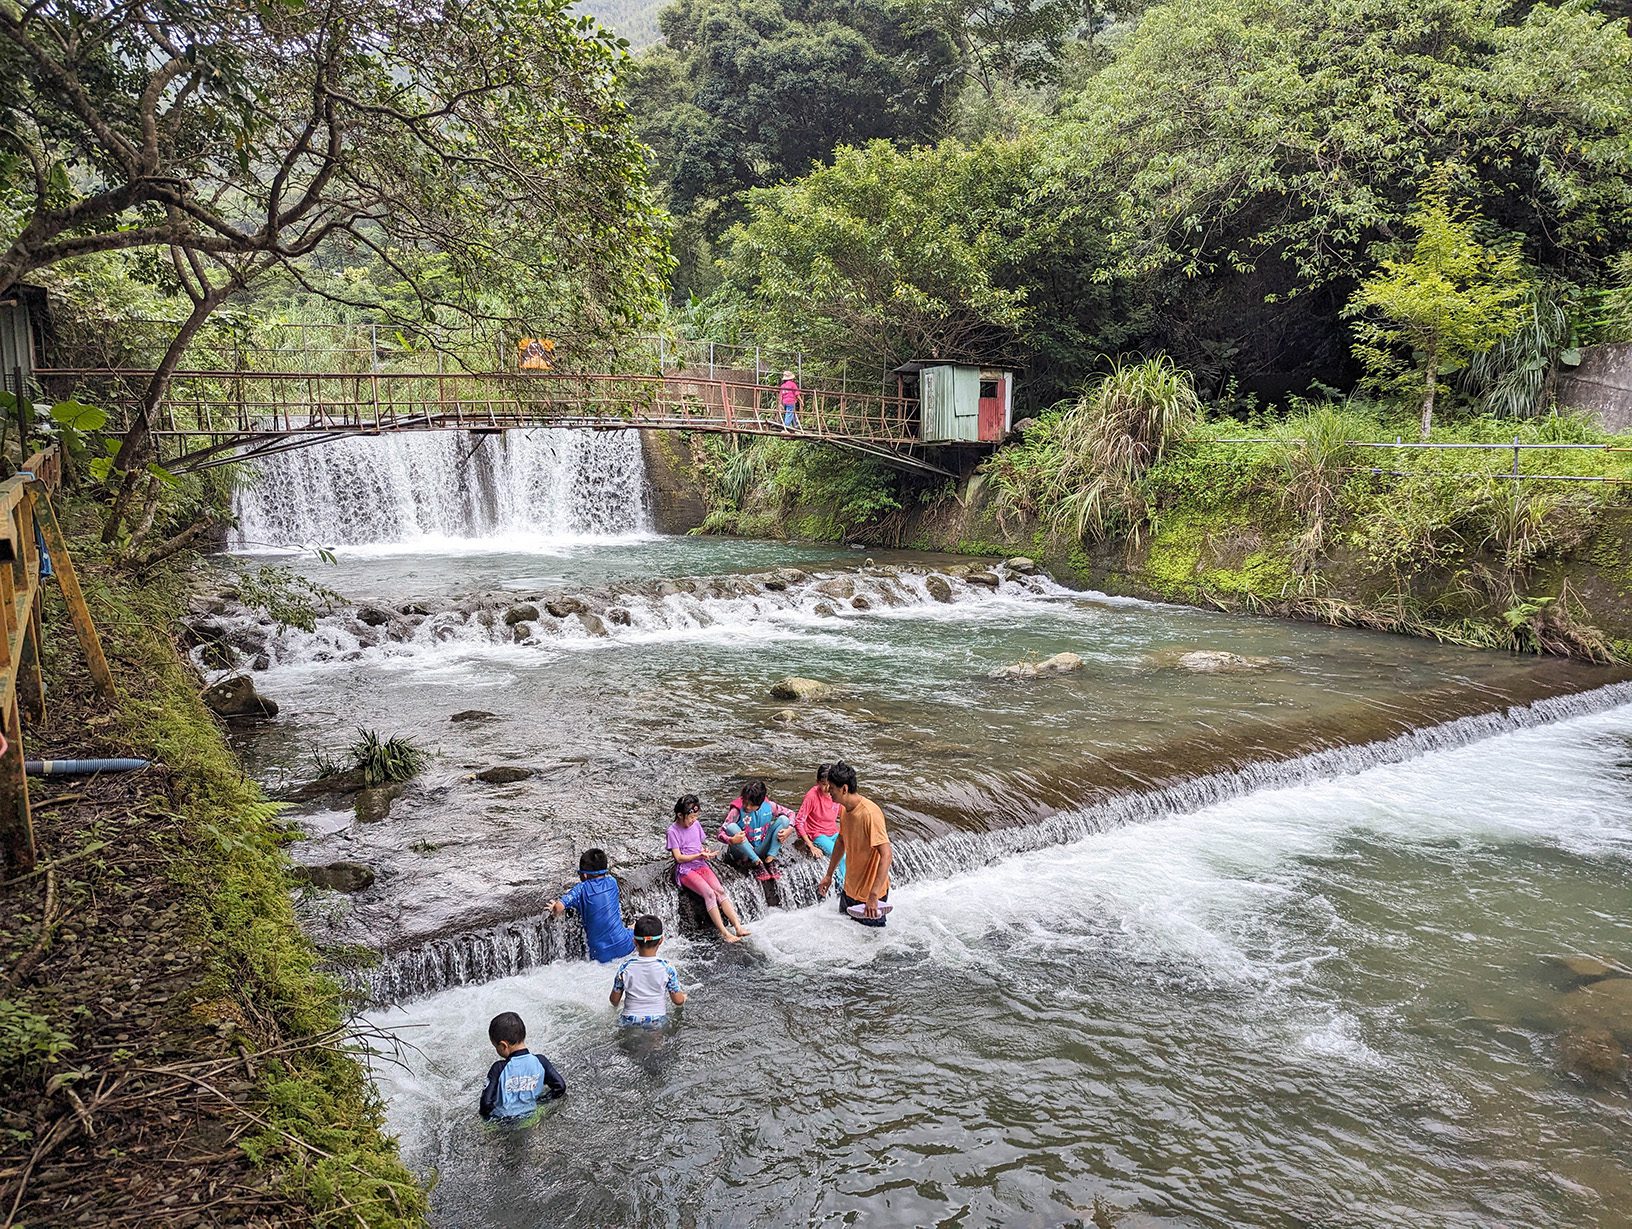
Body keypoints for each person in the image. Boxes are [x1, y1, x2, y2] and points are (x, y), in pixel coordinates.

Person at [816, 760, 892, 927]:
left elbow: (886, 854)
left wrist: (873, 895)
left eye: (832, 788)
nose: (828, 791)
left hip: (870, 899)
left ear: (844, 789)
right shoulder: (844, 809)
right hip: (849, 890)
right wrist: (829, 875)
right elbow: (841, 841)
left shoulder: (870, 814)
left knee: (872, 947)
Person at [666, 794, 751, 943]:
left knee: (720, 891)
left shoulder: (696, 825)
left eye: (695, 817)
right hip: (686, 870)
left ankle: (738, 926)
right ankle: (725, 933)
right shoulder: (672, 831)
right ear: (680, 815)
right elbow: (678, 858)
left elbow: (699, 844)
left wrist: (704, 852)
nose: (693, 821)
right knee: (709, 894)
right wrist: (698, 855)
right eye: (690, 818)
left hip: (701, 864)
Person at [548, 849, 635, 963]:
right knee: (635, 925)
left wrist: (553, 908)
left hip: (600, 955)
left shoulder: (580, 889)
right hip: (625, 946)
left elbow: (559, 907)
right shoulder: (612, 882)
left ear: (584, 875)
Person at [479, 1011, 567, 1122]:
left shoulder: (498, 1068)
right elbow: (560, 1087)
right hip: (531, 1117)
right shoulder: (540, 1061)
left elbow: (485, 1104)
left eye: (495, 1046)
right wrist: (541, 1101)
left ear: (503, 1045)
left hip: (504, 1121)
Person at [610, 915, 687, 1027]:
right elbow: (677, 1001)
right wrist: (683, 997)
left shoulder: (625, 967)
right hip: (656, 1020)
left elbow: (614, 1000)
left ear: (634, 941)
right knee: (657, 1043)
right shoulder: (667, 968)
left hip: (629, 1020)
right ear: (661, 940)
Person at [718, 779, 796, 881]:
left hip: (760, 846)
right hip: (742, 851)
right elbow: (720, 832)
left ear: (760, 803)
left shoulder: (770, 806)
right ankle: (758, 863)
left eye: (752, 805)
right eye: (745, 802)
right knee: (731, 827)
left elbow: (791, 813)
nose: (747, 807)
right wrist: (731, 840)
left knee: (784, 820)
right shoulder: (736, 810)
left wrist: (789, 829)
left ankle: (770, 860)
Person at [794, 762, 845, 883]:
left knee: (852, 851)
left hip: (833, 832)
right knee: (840, 855)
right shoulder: (812, 796)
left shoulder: (836, 793)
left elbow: (843, 815)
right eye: (823, 784)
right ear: (817, 782)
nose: (827, 788)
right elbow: (799, 821)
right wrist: (810, 845)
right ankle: (842, 887)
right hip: (817, 834)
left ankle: (848, 883)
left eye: (830, 785)